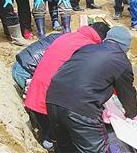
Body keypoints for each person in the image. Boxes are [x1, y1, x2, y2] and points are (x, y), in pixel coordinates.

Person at [46, 26, 137, 152]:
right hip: (81, 108)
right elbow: (127, 93)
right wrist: (132, 114)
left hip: (53, 99)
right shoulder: (121, 60)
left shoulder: (87, 48)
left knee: (66, 148)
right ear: (125, 47)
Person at [24, 22, 110, 150]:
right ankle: (50, 142)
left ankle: (49, 140)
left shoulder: (67, 36)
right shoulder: (89, 47)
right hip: (52, 96)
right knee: (60, 134)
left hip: (36, 89)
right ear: (102, 38)